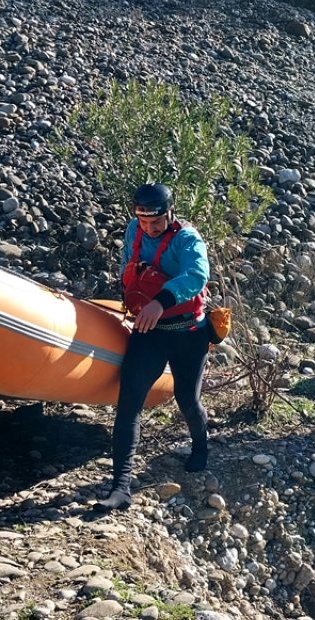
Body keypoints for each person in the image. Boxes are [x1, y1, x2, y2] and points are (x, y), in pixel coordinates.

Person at [97, 183, 211, 512]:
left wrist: (159, 302)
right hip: (149, 330)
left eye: (156, 223)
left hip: (189, 333)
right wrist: (134, 294)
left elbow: (197, 275)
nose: (149, 229)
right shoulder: (135, 229)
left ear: (169, 213)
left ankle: (201, 446)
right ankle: (120, 487)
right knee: (128, 403)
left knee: (187, 399)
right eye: (143, 222)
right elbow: (126, 264)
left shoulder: (187, 239)